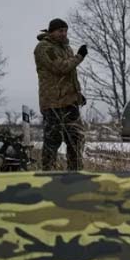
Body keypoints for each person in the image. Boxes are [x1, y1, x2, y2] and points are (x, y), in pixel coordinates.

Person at [34, 18, 87, 171]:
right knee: (53, 140)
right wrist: (79, 57)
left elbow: (70, 75)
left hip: (70, 102)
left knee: (76, 139)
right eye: (60, 31)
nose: (63, 34)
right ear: (51, 32)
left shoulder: (66, 48)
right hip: (53, 103)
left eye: (65, 31)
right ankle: (48, 173)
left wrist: (78, 94)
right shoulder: (44, 48)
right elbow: (61, 68)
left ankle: (75, 172)